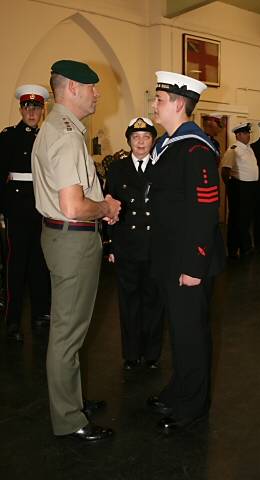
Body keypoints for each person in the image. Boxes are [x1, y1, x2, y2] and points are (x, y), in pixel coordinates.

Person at [31, 59, 121, 442]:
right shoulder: (66, 134)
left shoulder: (57, 128)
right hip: (73, 237)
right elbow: (72, 205)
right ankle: (69, 418)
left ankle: (71, 400)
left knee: (70, 328)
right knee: (67, 334)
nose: (97, 93)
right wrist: (106, 208)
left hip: (62, 237)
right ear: (71, 89)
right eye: (92, 87)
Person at [146, 71, 225, 433]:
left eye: (159, 100)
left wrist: (194, 264)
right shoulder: (169, 144)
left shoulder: (196, 148)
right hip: (169, 258)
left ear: (179, 104)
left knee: (191, 333)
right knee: (178, 331)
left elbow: (205, 210)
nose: (154, 105)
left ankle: (193, 404)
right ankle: (179, 389)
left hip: (188, 261)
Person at [106, 117, 164, 370]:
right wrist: (109, 245)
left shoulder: (163, 167)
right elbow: (109, 207)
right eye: (136, 138)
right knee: (128, 302)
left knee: (154, 302)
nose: (141, 142)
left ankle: (151, 354)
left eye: (146, 137)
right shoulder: (117, 169)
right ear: (129, 141)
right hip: (126, 245)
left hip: (154, 246)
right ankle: (131, 354)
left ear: (153, 140)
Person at [0, 85, 51, 342]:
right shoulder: (8, 137)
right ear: (21, 109)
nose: (32, 112)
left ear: (43, 111)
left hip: (41, 208)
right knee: (16, 266)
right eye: (28, 107)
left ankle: (41, 314)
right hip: (17, 210)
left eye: (37, 108)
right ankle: (12, 319)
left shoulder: (46, 137)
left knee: (40, 264)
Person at [221, 122, 258, 259]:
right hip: (239, 187)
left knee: (246, 219)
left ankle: (244, 247)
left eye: (248, 133)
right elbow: (225, 170)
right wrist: (232, 187)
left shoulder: (249, 148)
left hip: (250, 188)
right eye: (245, 133)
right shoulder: (233, 149)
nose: (248, 135)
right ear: (238, 135)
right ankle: (234, 249)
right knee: (237, 219)